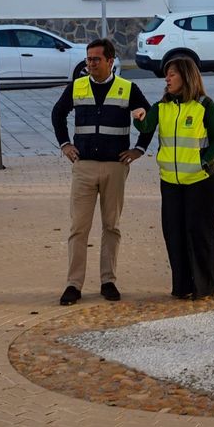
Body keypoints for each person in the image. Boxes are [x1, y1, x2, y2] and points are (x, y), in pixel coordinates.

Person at [50, 37, 155, 305]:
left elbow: (150, 117)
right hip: (83, 167)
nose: (91, 64)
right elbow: (57, 113)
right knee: (78, 228)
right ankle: (73, 284)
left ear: (110, 61)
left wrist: (139, 149)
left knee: (111, 227)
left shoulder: (127, 88)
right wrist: (65, 144)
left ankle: (108, 281)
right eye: (88, 59)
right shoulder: (77, 86)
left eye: (96, 59)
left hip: (115, 168)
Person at [140, 56, 214, 299]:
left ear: (186, 76)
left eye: (172, 74)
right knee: (174, 233)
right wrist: (140, 118)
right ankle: (182, 286)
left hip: (201, 181)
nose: (167, 78)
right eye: (167, 75)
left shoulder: (204, 105)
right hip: (171, 183)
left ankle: (205, 286)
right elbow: (146, 129)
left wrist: (203, 161)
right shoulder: (161, 106)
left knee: (199, 233)